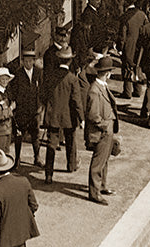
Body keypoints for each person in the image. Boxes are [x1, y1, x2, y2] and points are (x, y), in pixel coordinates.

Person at [39, 44, 81, 184]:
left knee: (51, 144)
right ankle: (71, 165)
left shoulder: (50, 77)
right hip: (68, 116)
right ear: (69, 61)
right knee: (70, 140)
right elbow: (76, 100)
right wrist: (80, 117)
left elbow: (43, 95)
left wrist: (48, 106)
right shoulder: (72, 79)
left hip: (53, 116)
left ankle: (49, 174)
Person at [83, 56, 119, 205]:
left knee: (104, 160)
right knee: (98, 163)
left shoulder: (101, 87)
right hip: (101, 132)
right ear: (108, 73)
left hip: (107, 131)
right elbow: (93, 115)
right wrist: (104, 126)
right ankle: (94, 193)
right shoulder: (95, 90)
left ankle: (102, 186)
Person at [8, 47, 42, 166]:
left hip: (35, 110)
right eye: (26, 61)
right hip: (22, 110)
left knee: (35, 135)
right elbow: (13, 91)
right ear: (23, 61)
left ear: (34, 61)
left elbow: (42, 91)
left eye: (30, 60)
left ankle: (37, 157)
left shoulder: (38, 73)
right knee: (19, 135)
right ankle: (17, 159)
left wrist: (40, 105)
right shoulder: (18, 74)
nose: (28, 63)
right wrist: (14, 103)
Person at [117, 0, 146, 99]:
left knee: (127, 68)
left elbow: (122, 36)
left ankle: (127, 92)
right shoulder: (142, 14)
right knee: (137, 66)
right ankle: (138, 90)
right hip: (140, 45)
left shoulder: (124, 17)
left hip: (128, 46)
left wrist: (120, 48)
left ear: (125, 2)